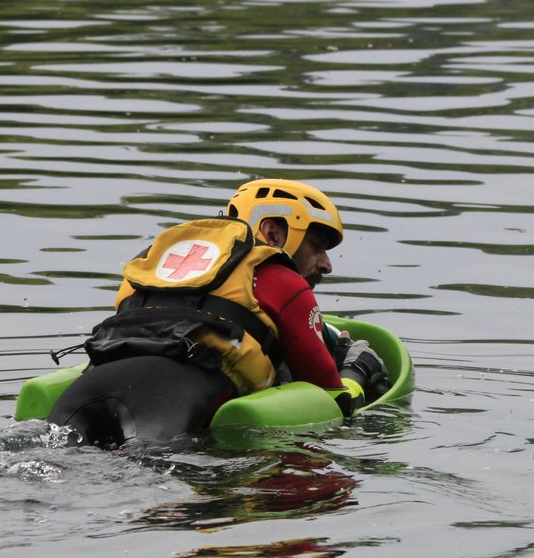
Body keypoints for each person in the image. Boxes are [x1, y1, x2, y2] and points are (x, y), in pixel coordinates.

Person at [47, 178, 386, 447]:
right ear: (272, 231)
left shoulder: (152, 270)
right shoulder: (283, 281)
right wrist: (356, 367)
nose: (326, 264)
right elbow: (331, 400)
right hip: (167, 412)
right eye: (317, 246)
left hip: (82, 395)